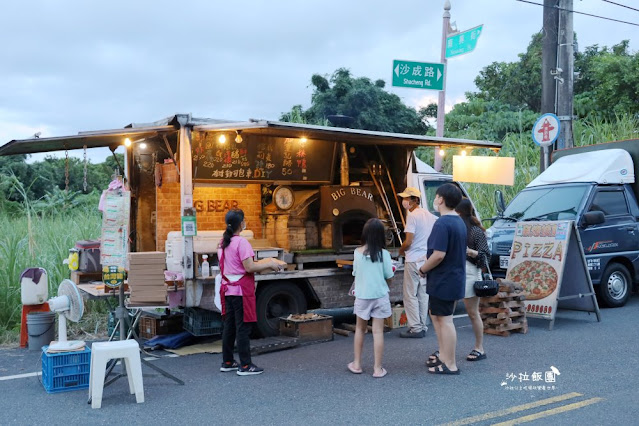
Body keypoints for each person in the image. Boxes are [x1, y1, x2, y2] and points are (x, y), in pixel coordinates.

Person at [218, 209, 283, 376]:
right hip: (241, 291)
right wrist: (270, 262)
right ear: (241, 224)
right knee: (243, 327)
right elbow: (249, 267)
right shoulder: (242, 243)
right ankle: (245, 365)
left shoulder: (222, 242)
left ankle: (227, 361)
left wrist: (267, 263)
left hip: (228, 290)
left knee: (229, 327)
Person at [418, 183, 466, 375]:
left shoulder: (442, 223)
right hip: (452, 278)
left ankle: (450, 363)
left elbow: (439, 255)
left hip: (444, 279)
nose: (435, 199)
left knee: (445, 320)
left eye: (436, 196)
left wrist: (422, 268)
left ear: (441, 200)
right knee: (439, 317)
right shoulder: (458, 221)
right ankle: (444, 357)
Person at [348, 218, 395, 378]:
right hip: (380, 295)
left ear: (365, 234)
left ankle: (357, 364)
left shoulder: (357, 253)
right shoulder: (385, 254)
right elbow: (389, 275)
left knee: (360, 330)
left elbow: (355, 273)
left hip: (362, 296)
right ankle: (377, 368)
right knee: (378, 332)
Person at [397, 187, 437, 338]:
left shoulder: (412, 216)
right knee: (422, 293)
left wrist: (400, 251)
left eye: (407, 198)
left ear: (415, 200)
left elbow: (408, 241)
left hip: (413, 259)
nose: (404, 201)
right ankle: (422, 325)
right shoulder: (429, 216)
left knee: (410, 294)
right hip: (425, 260)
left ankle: (415, 328)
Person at [456, 198, 490, 362]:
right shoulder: (454, 227)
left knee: (472, 313)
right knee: (446, 314)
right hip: (454, 272)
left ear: (458, 211)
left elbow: (485, 258)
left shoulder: (476, 231)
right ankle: (446, 348)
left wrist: (470, 251)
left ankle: (479, 347)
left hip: (470, 272)